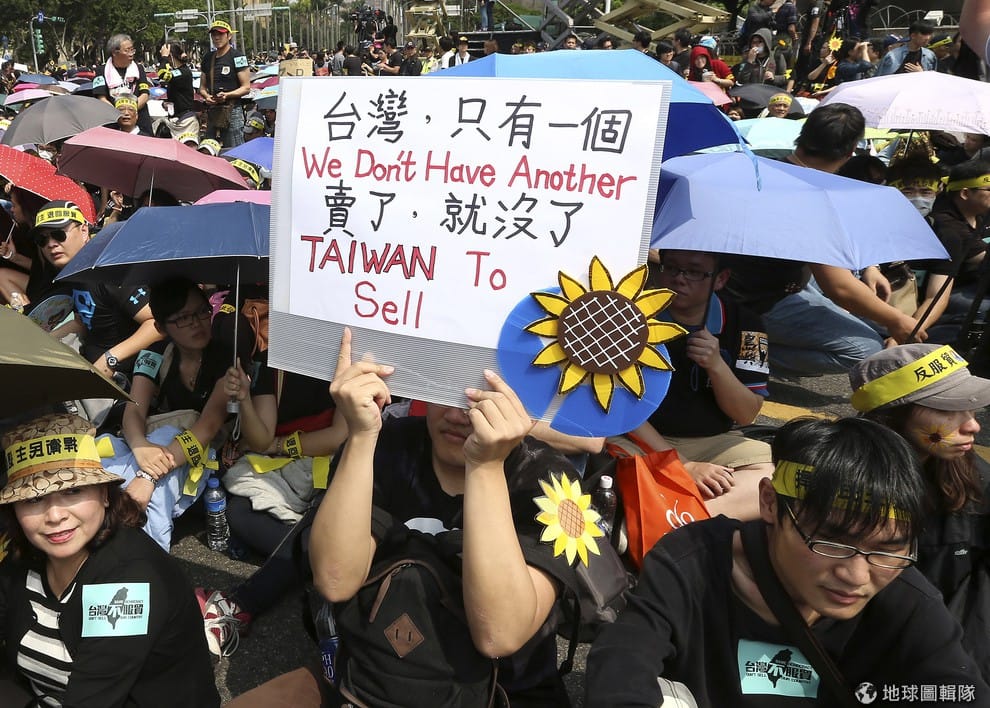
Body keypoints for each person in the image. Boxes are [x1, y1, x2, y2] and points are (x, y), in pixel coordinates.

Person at [230, 328, 582, 706]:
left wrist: (485, 465)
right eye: (445, 388)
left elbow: (499, 634)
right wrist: (361, 436)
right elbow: (334, 580)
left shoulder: (553, 485)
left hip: (502, 693)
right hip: (369, 678)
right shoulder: (386, 444)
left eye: (482, 396)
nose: (457, 413)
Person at [585, 416, 990, 706]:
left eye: (888, 548)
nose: (856, 575)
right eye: (830, 541)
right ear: (769, 502)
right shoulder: (693, 561)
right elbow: (622, 665)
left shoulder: (906, 597)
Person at [0, 412, 220, 708]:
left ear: (104, 494)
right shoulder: (24, 555)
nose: (54, 516)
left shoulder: (130, 582)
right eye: (34, 499)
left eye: (72, 491)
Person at [724, 103, 924, 378]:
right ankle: (739, 352)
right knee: (866, 348)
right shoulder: (813, 196)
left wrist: (869, 266)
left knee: (873, 318)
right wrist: (898, 320)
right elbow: (838, 287)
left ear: (802, 135)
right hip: (757, 300)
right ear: (850, 151)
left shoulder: (763, 167)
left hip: (735, 284)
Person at [850, 344, 990, 681]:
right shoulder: (841, 480)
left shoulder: (975, 478)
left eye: (970, 409)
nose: (973, 426)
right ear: (894, 414)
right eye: (948, 410)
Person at [633, 249, 773, 521]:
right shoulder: (632, 316)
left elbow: (747, 414)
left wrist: (717, 366)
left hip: (712, 442)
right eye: (671, 267)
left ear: (720, 279)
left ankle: (676, 519)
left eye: (694, 272)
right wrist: (683, 465)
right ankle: (675, 514)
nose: (679, 278)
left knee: (773, 474)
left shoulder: (751, 328)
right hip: (641, 439)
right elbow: (618, 407)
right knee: (613, 462)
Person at [99, 278, 239, 550]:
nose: (197, 323)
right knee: (102, 455)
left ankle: (144, 556)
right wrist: (141, 448)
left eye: (202, 312)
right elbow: (134, 410)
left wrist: (148, 476)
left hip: (206, 454)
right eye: (183, 318)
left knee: (152, 488)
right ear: (162, 327)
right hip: (160, 450)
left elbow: (207, 428)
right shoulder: (155, 353)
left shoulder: (226, 358)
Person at [199, 20, 251, 148]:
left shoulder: (238, 57)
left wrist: (227, 95)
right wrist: (207, 97)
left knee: (234, 150)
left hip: (232, 110)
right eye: (214, 34)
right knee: (208, 149)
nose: (217, 37)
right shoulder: (208, 58)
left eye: (220, 34)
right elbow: (202, 87)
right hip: (213, 110)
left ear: (229, 36)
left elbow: (246, 87)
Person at [93, 34, 154, 135]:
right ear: (114, 52)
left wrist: (130, 110)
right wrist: (119, 112)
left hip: (139, 120)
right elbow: (101, 98)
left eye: (132, 50)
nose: (131, 54)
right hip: (113, 121)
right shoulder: (101, 71)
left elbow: (145, 94)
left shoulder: (138, 69)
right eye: (127, 50)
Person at [157, 42, 198, 146]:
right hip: (175, 118)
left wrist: (164, 58)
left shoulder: (183, 72)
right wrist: (167, 103)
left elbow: (163, 75)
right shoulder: (176, 72)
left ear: (171, 56)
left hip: (186, 121)